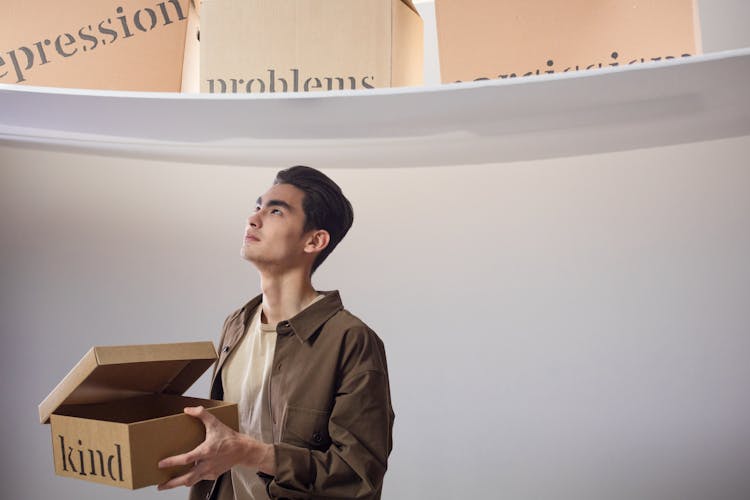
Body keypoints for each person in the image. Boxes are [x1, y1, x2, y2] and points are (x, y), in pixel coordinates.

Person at [157, 166, 394, 500]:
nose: (253, 219)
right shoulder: (236, 324)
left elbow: (359, 477)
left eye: (276, 211)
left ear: (315, 240)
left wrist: (251, 453)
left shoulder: (351, 340)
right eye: (257, 207)